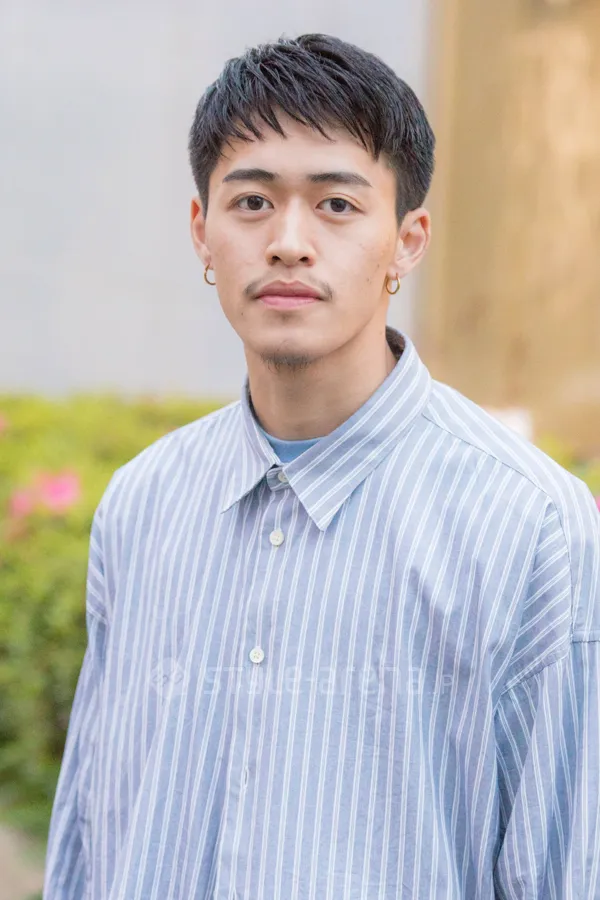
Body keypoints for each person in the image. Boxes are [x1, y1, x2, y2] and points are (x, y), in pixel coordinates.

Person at [43, 33, 600, 900]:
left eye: (337, 204)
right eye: (252, 201)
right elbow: (90, 832)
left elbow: (561, 867)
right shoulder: (143, 503)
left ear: (408, 241)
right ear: (201, 232)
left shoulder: (529, 525)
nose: (289, 242)